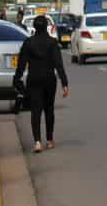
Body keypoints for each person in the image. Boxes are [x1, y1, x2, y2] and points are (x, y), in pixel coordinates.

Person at [13, 15, 69, 153]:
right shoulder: (52, 42)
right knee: (49, 109)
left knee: (36, 110)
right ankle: (49, 140)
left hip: (34, 79)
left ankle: (37, 142)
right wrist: (64, 83)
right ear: (46, 27)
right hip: (49, 79)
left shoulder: (28, 42)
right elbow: (58, 64)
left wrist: (17, 79)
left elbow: (21, 64)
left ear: (34, 27)